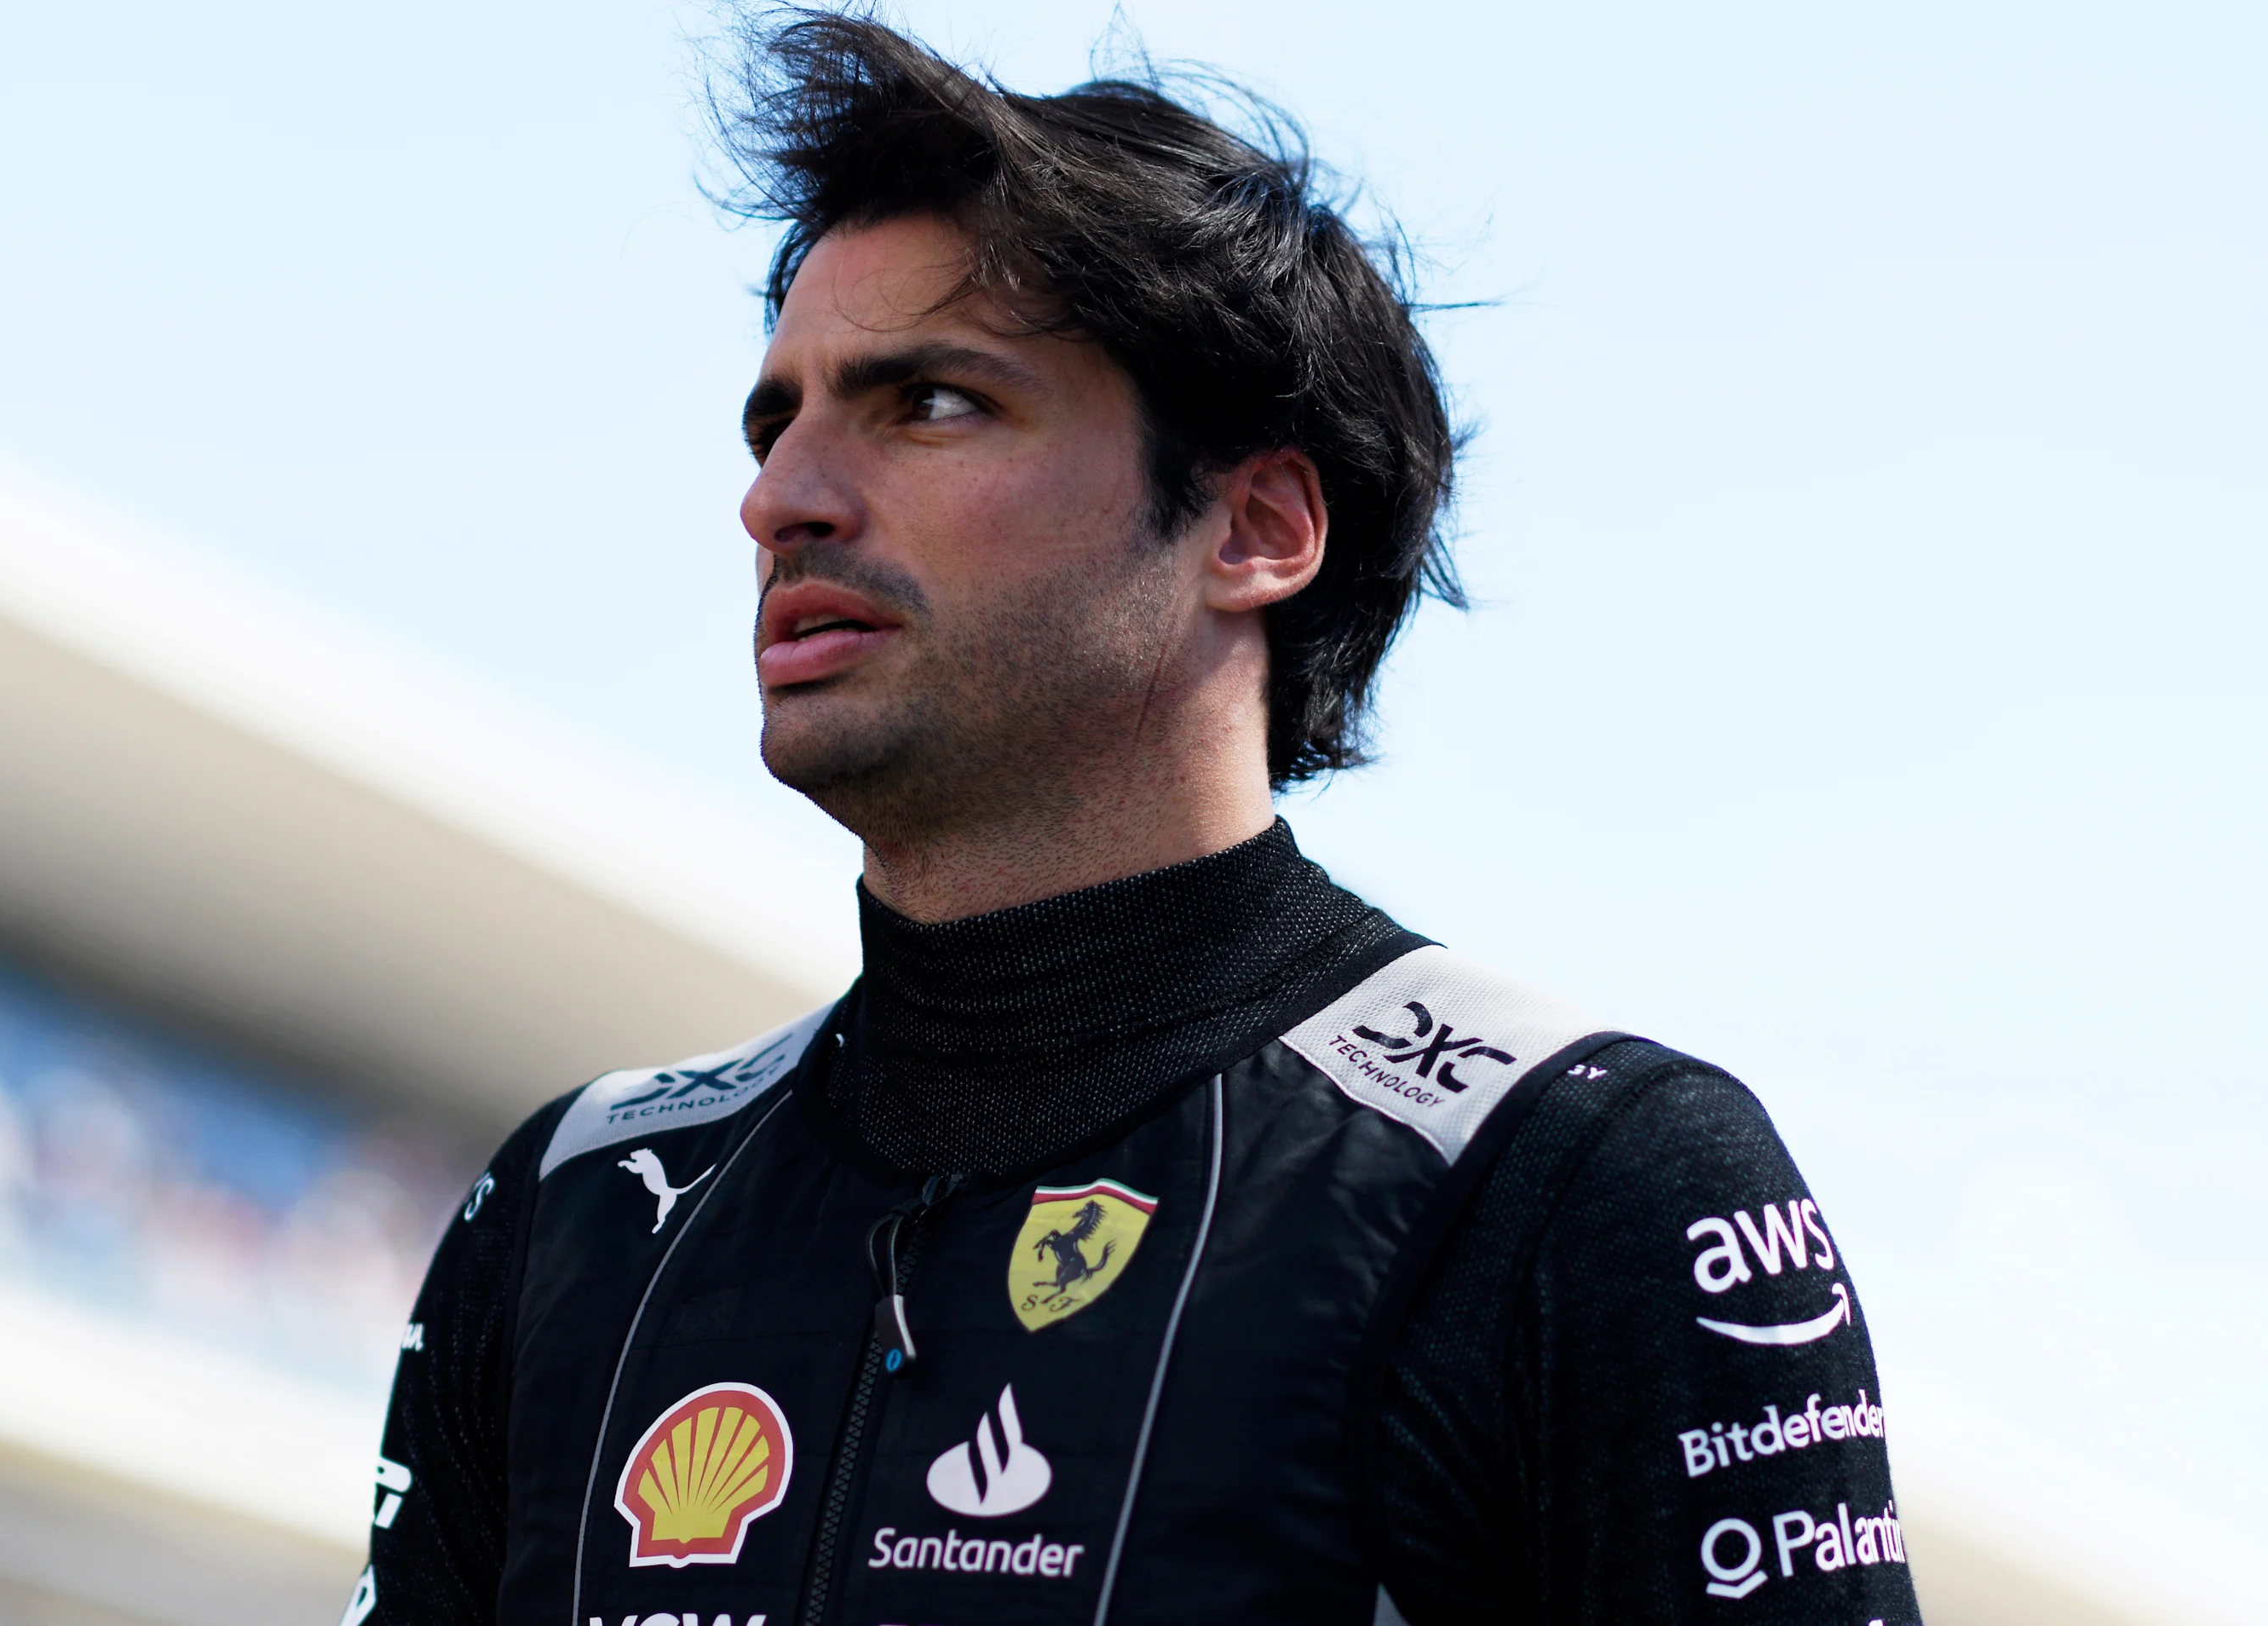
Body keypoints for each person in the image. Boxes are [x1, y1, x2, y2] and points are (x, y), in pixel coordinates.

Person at [351, 14, 1914, 1625]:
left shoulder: (1572, 1178)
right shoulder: (579, 1208)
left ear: (1255, 525)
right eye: (776, 421)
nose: (782, 497)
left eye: (933, 403)